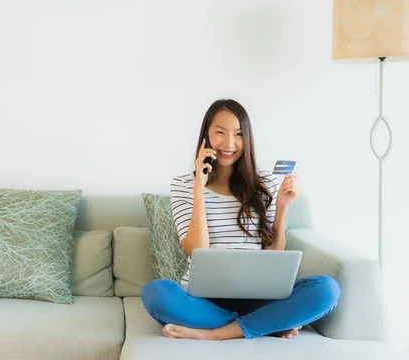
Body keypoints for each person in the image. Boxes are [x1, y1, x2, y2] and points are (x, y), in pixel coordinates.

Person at [140, 99, 340, 340]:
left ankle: (219, 333)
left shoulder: (264, 183)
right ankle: (266, 324)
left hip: (258, 298)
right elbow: (197, 249)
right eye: (220, 133)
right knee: (155, 293)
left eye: (238, 134)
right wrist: (199, 188)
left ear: (247, 139)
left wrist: (282, 208)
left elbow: (273, 255)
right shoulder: (184, 185)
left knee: (326, 290)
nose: (229, 144)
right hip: (203, 301)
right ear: (206, 136)